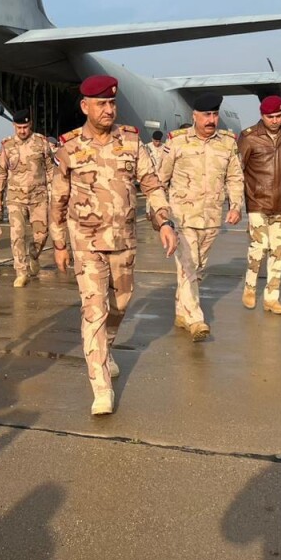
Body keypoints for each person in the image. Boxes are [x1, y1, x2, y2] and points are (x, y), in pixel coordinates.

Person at [50, 75, 178, 415]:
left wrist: (163, 221)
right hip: (86, 243)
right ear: (85, 106)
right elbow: (58, 200)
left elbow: (151, 185)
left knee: (120, 304)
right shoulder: (69, 147)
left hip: (123, 240)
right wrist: (60, 243)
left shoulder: (131, 141)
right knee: (94, 311)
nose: (109, 110)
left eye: (112, 103)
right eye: (102, 104)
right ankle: (100, 387)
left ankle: (107, 346)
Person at [157, 93, 244, 341]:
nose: (211, 120)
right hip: (182, 218)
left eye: (215, 115)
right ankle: (196, 319)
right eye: (206, 115)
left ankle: (181, 312)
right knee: (187, 265)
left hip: (212, 218)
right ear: (194, 116)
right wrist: (163, 216)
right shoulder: (177, 142)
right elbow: (160, 181)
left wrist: (236, 206)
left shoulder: (227, 143)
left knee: (196, 268)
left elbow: (235, 178)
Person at [238, 95, 281, 315]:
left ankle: (271, 298)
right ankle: (250, 288)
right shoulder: (249, 138)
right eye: (271, 117)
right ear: (262, 115)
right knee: (258, 249)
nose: (275, 120)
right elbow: (237, 171)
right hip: (257, 202)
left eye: (279, 116)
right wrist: (236, 202)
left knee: (278, 253)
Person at [0, 108, 55, 287]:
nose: (22, 131)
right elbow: (1, 172)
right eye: (19, 127)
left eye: (25, 127)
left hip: (39, 197)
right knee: (17, 235)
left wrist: (53, 192)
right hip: (15, 198)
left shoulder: (41, 143)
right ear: (14, 126)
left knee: (42, 234)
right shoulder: (7, 145)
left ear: (31, 125)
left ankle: (34, 254)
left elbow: (51, 168)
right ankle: (21, 272)